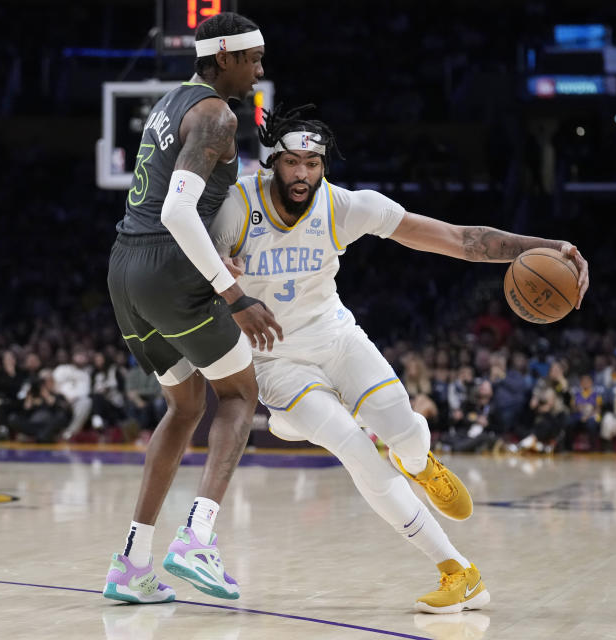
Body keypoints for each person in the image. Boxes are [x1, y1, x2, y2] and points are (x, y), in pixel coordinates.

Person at [209, 106, 589, 612]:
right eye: (293, 162)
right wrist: (220, 278)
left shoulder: (344, 206)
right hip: (275, 359)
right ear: (272, 162)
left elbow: (460, 239)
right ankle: (459, 571)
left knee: (404, 430)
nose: (303, 174)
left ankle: (418, 461)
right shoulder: (236, 208)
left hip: (337, 337)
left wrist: (551, 246)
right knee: (355, 448)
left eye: (313, 163)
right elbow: (193, 273)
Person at [102, 13, 281, 605]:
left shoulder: (171, 103)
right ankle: (196, 538)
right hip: (166, 267)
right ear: (223, 57)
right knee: (238, 395)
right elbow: (180, 213)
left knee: (184, 407)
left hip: (124, 269)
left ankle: (131, 560)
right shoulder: (215, 114)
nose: (259, 69)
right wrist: (236, 297)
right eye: (252, 59)